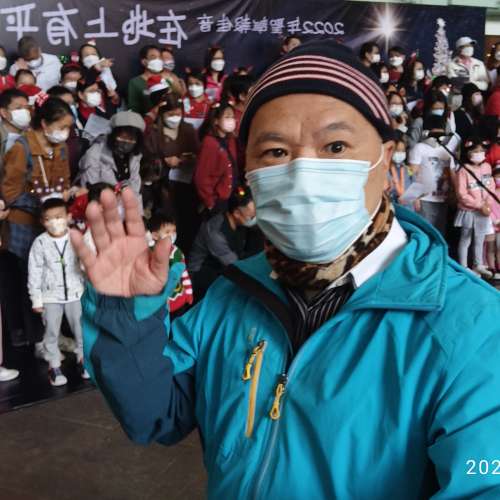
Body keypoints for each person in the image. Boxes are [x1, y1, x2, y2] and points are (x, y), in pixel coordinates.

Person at [71, 40, 500, 499]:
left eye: (335, 146)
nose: (302, 172)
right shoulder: (233, 295)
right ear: (248, 169)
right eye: (275, 152)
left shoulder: (472, 327)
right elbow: (153, 414)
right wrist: (125, 313)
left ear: (385, 155)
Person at [1, 97, 72, 348]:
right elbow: (10, 193)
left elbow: (65, 180)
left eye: (68, 127)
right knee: (29, 283)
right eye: (61, 127)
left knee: (52, 279)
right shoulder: (21, 148)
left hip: (50, 223)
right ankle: (36, 340)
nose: (65, 132)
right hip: (23, 226)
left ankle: (52, 333)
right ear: (44, 124)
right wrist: (41, 202)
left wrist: (63, 196)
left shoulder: (61, 148)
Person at [28, 197, 87, 385]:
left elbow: (86, 262)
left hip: (76, 292)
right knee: (51, 332)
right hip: (50, 296)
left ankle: (83, 359)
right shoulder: (40, 243)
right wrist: (36, 299)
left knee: (81, 328)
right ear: (42, 221)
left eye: (59, 216)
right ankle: (54, 366)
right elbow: (34, 271)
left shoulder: (76, 237)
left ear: (68, 216)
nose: (55, 222)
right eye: (49, 218)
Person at [142, 94, 199, 251]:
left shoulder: (188, 130)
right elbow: (147, 160)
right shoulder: (154, 134)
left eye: (178, 114)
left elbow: (198, 153)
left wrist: (189, 158)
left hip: (186, 185)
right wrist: (164, 160)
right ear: (162, 114)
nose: (175, 118)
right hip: (163, 188)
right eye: (170, 114)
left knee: (187, 223)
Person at [188, 186, 260, 298]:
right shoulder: (215, 231)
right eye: (252, 217)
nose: (254, 219)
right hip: (201, 271)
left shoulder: (240, 223)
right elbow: (234, 264)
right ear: (236, 213)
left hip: (223, 264)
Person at [408, 114, 460, 236]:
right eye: (435, 133)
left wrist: (455, 193)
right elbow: (412, 173)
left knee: (440, 232)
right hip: (424, 198)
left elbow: (452, 172)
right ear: (426, 132)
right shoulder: (419, 148)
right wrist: (414, 197)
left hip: (442, 198)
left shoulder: (447, 149)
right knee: (425, 232)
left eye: (441, 133)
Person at [78, 110, 145, 202]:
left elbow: (135, 191)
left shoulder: (134, 157)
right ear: (114, 135)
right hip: (100, 204)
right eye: (122, 137)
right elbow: (89, 190)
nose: (126, 143)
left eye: (131, 139)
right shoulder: (95, 154)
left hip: (125, 205)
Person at [454, 137, 495, 278]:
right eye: (475, 151)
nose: (479, 154)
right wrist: (479, 205)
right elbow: (461, 194)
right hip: (469, 211)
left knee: (480, 238)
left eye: (481, 151)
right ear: (468, 153)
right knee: (466, 239)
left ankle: (478, 264)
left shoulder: (487, 167)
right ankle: (463, 266)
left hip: (484, 210)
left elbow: (491, 186)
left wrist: (487, 203)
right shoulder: (463, 170)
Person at [194, 101, 239, 213]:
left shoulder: (230, 140)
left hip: (230, 196)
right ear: (216, 121)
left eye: (232, 117)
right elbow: (201, 178)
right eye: (227, 117)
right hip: (217, 201)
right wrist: (210, 202)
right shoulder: (209, 143)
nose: (231, 120)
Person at [146, 210, 193, 315]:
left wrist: (188, 292)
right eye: (167, 232)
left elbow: (184, 274)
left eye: (174, 231)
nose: (172, 235)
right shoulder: (148, 251)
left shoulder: (177, 253)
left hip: (177, 298)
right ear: (154, 235)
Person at [127, 45, 164, 115]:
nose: (158, 60)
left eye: (159, 57)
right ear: (144, 62)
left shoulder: (165, 80)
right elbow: (133, 109)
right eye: (153, 57)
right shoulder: (135, 82)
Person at [0, 88, 31, 162]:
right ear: (3, 112)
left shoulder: (31, 135)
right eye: (18, 108)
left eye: (26, 108)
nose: (24, 112)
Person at [387, 136, 413, 204]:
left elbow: (413, 182)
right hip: (393, 204)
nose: (401, 153)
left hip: (408, 204)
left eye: (403, 151)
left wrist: (416, 198)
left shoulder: (407, 168)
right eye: (398, 150)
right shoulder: (386, 170)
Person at [486, 164, 500, 278]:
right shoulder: (489, 192)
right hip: (490, 225)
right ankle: (492, 268)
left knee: (499, 248)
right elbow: (487, 207)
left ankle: (499, 268)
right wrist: (494, 220)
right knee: (490, 247)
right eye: (498, 176)